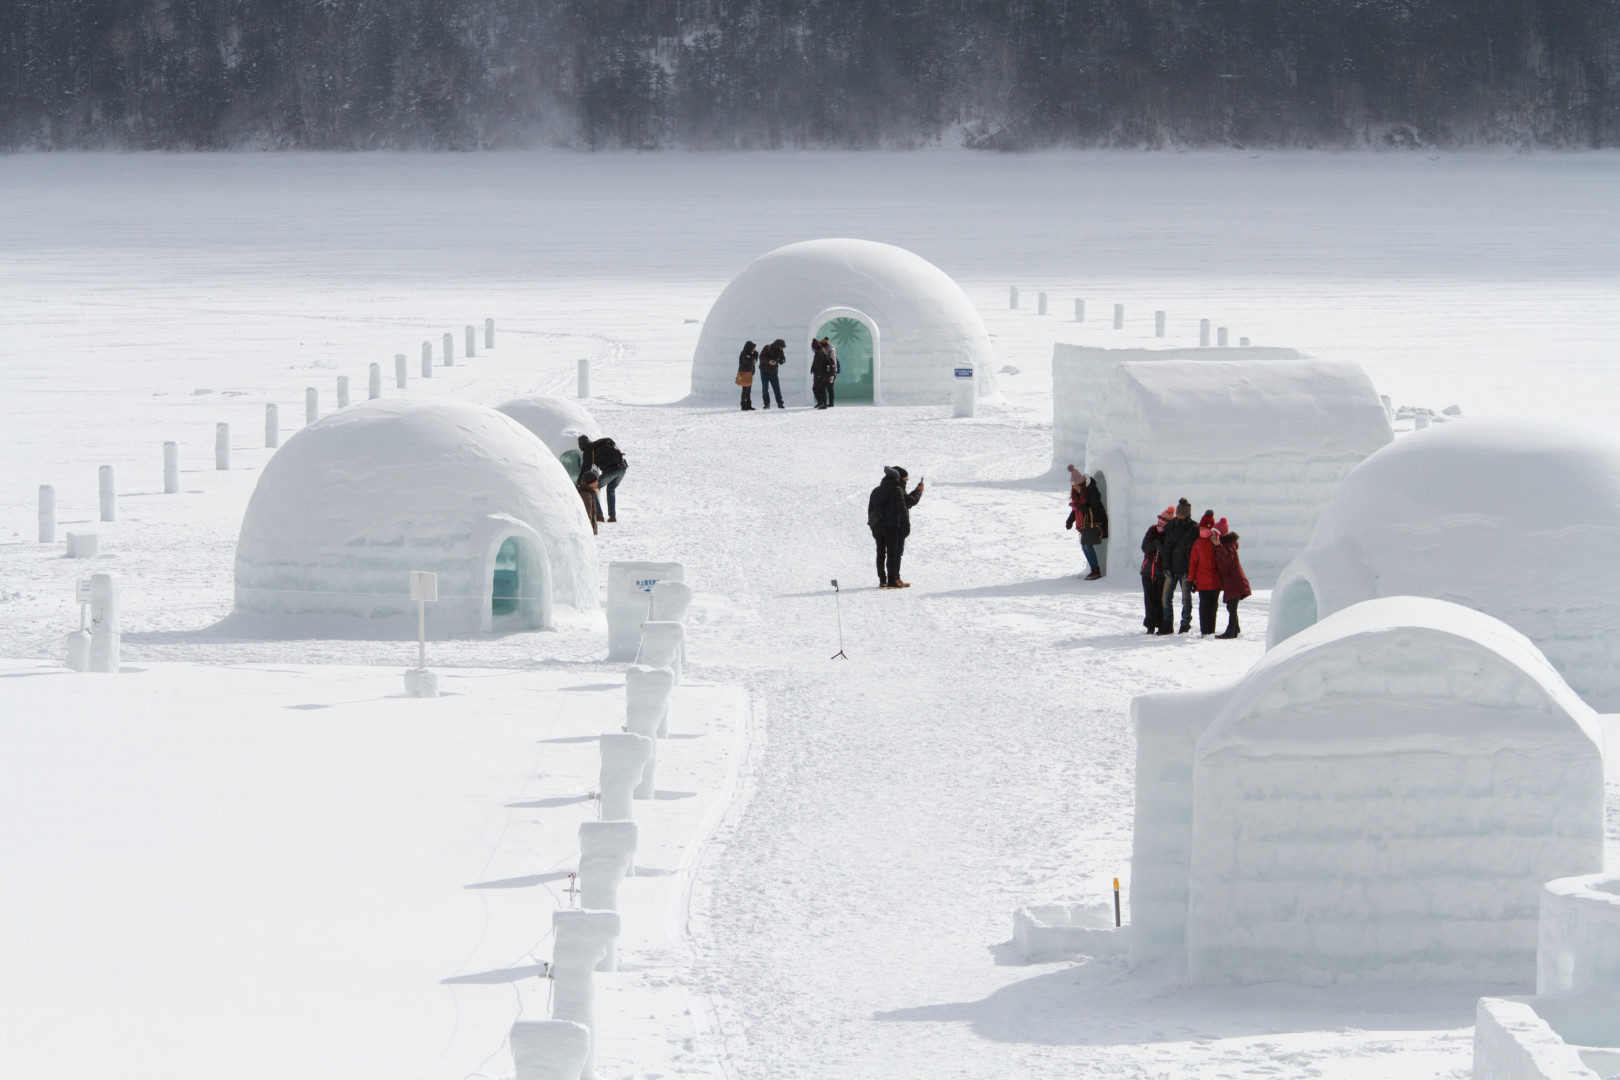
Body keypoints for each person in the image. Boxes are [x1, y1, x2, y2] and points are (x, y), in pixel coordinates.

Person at [868, 465, 924, 588]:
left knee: (880, 553)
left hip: (878, 527)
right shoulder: (897, 490)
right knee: (892, 554)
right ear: (897, 478)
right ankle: (892, 581)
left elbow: (870, 510)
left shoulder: (876, 491)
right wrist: (906, 526)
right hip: (892, 527)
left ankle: (882, 581)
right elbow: (903, 510)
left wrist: (872, 527)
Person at [1159, 498, 1197, 634]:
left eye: (1181, 514)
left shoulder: (1193, 528)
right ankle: (1167, 624)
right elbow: (1167, 548)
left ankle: (1185, 624)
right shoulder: (1171, 527)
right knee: (1166, 598)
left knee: (1186, 600)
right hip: (1172, 568)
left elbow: (1193, 552)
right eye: (1178, 513)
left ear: (1186, 514)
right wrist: (1166, 566)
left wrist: (1190, 570)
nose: (1178, 516)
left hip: (1185, 569)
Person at [1065, 465, 1108, 580]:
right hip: (1084, 524)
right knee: (1085, 547)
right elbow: (1076, 510)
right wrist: (1070, 521)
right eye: (1073, 486)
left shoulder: (1091, 491)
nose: (1074, 488)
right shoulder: (1078, 493)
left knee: (1087, 546)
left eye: (1076, 485)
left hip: (1093, 523)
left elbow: (1092, 509)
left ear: (1082, 483)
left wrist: (1078, 506)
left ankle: (1096, 570)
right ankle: (1094, 569)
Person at [1211, 519, 1252, 638]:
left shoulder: (1228, 545)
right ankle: (1235, 628)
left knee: (1232, 607)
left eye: (1214, 534)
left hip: (1235, 581)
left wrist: (1218, 546)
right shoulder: (1226, 544)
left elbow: (1228, 560)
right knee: (1231, 606)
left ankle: (1231, 630)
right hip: (1232, 582)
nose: (1212, 536)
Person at [1186, 510, 1222, 636]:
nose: (1201, 530)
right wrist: (1191, 580)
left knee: (1213, 607)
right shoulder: (1198, 543)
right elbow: (1192, 564)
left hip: (1215, 582)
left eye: (1204, 528)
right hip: (1203, 582)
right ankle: (1205, 630)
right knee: (1204, 606)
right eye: (1200, 528)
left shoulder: (1217, 541)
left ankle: (1210, 630)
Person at [579, 435, 629, 523]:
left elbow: (585, 468)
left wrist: (580, 481)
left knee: (592, 489)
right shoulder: (598, 445)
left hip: (611, 472)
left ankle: (599, 516)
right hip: (622, 468)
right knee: (611, 490)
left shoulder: (589, 450)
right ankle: (612, 516)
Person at [1140, 506, 1173, 634]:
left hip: (1161, 573)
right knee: (1149, 600)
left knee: (1160, 600)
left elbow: (1167, 552)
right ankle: (1150, 625)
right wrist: (1156, 543)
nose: (1160, 521)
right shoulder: (1152, 530)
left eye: (1164, 519)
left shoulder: (1170, 534)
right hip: (1147, 571)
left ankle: (1161, 624)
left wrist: (1158, 545)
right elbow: (1144, 547)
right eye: (1160, 517)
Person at [758, 339, 786, 409]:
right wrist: (769, 361)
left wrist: (781, 361)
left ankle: (780, 403)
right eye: (781, 347)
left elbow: (783, 359)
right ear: (777, 345)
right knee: (765, 388)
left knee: (777, 388)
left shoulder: (780, 350)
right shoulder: (767, 347)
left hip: (773, 372)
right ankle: (766, 404)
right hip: (764, 372)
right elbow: (761, 357)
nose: (782, 348)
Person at [576, 465, 602, 535]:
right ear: (590, 482)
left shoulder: (589, 493)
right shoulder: (586, 496)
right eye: (596, 481)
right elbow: (588, 515)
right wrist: (589, 531)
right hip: (587, 532)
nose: (597, 483)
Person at [811, 338, 835, 409]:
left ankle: (822, 403)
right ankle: (822, 403)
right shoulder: (823, 351)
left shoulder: (819, 353)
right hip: (824, 375)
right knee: (822, 389)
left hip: (820, 375)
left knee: (816, 389)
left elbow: (818, 365)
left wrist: (818, 375)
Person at [736, 341, 758, 411]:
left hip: (749, 374)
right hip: (745, 374)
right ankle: (743, 405)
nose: (753, 350)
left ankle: (748, 405)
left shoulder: (749, 354)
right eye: (752, 348)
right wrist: (753, 356)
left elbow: (754, 361)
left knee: (748, 391)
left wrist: (755, 356)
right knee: (745, 391)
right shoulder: (744, 354)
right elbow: (748, 361)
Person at [823, 337, 839, 407]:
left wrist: (834, 371)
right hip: (828, 372)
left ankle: (831, 403)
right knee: (828, 387)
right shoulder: (827, 351)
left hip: (832, 373)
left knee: (830, 387)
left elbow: (834, 362)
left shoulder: (831, 351)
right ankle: (828, 402)